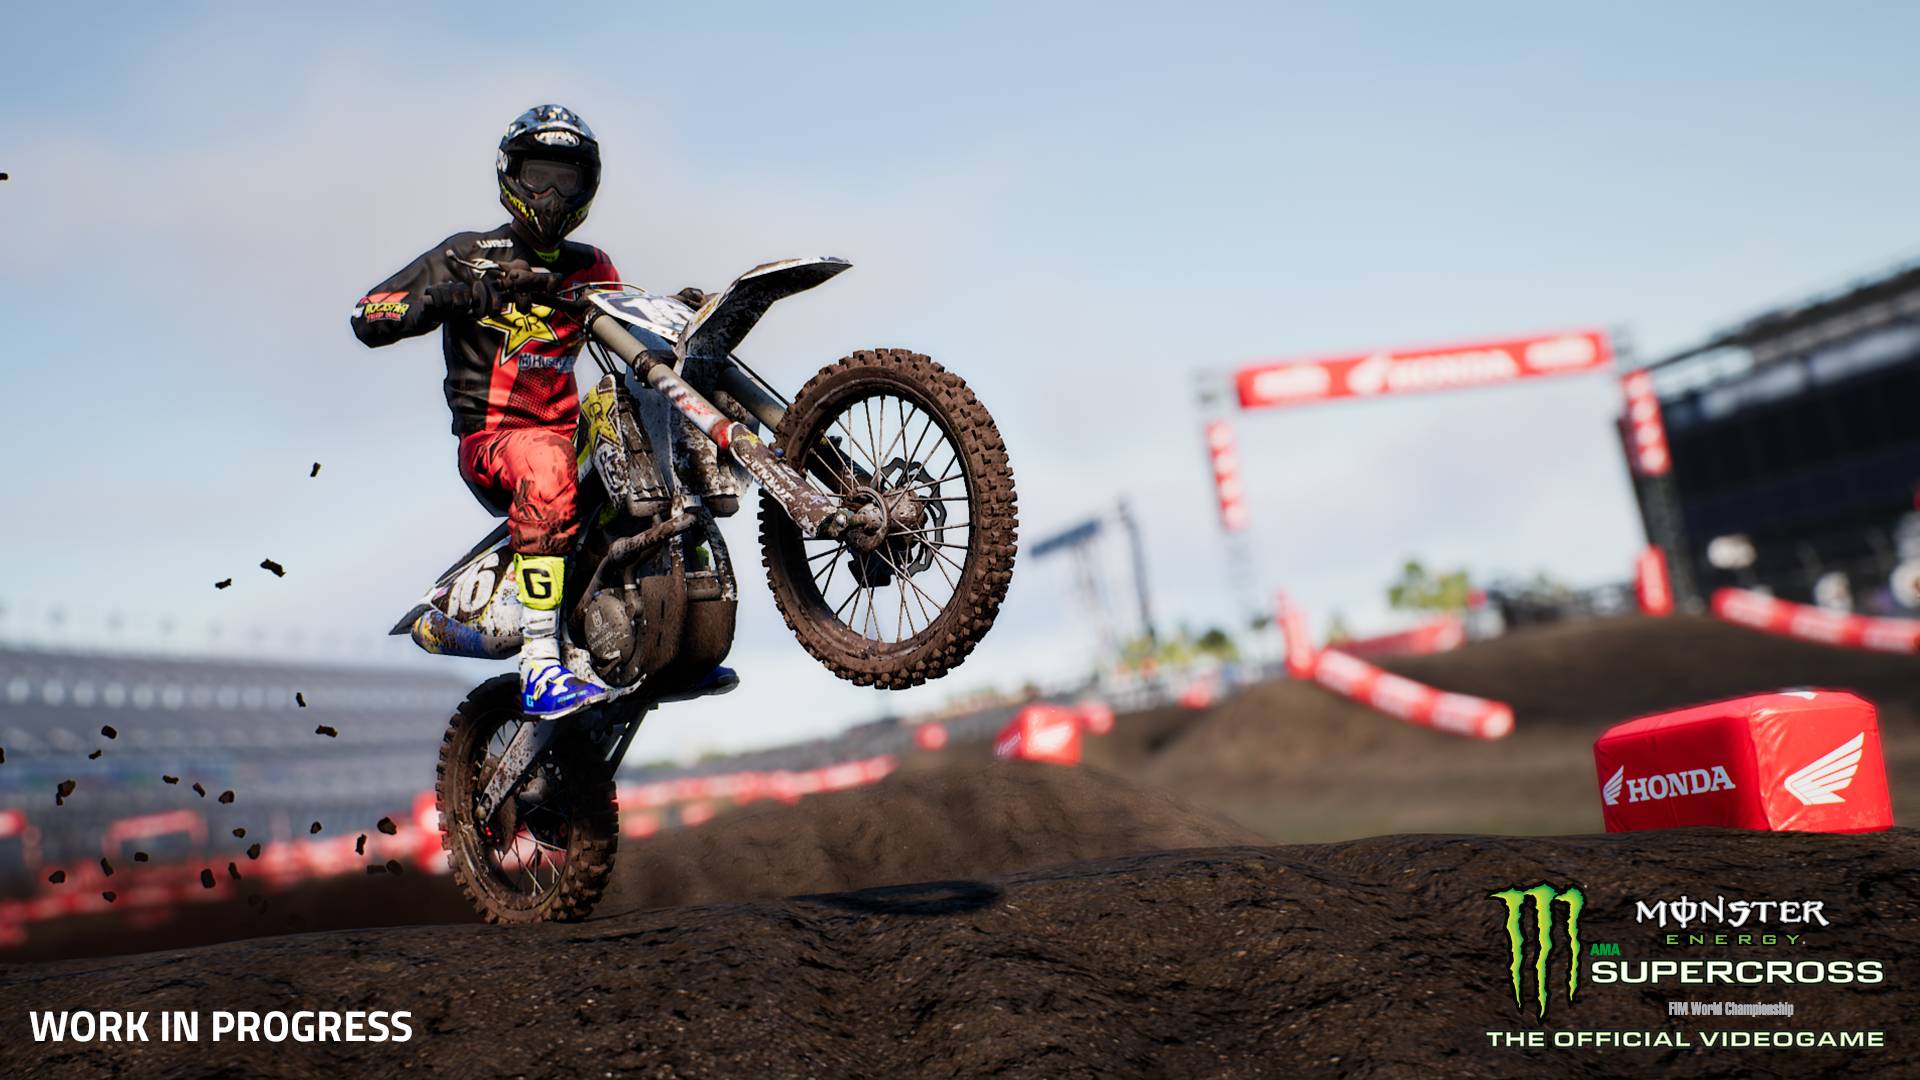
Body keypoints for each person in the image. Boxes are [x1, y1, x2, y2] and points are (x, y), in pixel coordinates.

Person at [349, 104, 731, 717]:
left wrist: (671, 309)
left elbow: (625, 319)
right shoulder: (467, 253)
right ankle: (538, 664)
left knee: (652, 420)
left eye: (566, 179)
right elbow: (368, 314)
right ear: (513, 175)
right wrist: (448, 297)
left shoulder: (591, 266)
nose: (551, 194)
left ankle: (672, 622)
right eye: (540, 177)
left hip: (567, 431)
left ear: (587, 185)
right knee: (549, 460)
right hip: (494, 439)